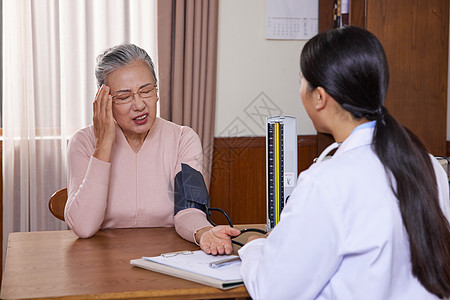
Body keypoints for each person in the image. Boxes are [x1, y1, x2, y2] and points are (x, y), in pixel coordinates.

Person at [238, 26, 450, 299]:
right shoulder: (429, 165)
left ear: (319, 97)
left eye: (302, 81)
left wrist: (254, 248)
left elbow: (273, 291)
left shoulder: (326, 182)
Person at [65, 43, 240, 254]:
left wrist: (204, 232)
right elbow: (83, 227)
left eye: (146, 90)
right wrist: (103, 144)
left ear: (157, 92)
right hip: (101, 259)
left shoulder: (183, 138)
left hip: (166, 256)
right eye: (124, 96)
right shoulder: (83, 142)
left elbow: (189, 209)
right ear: (104, 101)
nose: (139, 105)